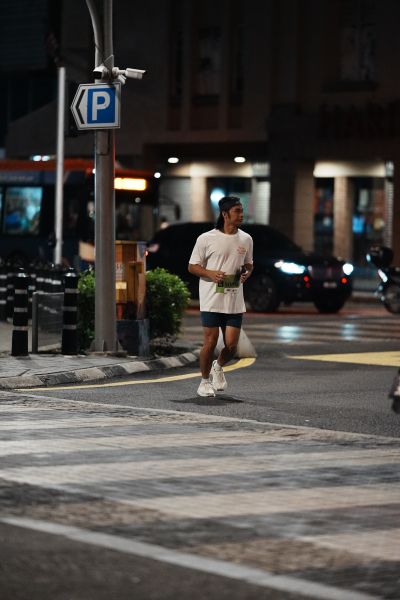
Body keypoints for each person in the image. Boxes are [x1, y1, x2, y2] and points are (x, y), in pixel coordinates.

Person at [188, 196, 253, 397]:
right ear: (225, 214)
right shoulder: (206, 238)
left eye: (242, 211)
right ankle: (204, 382)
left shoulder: (246, 239)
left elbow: (249, 264)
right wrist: (210, 273)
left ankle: (218, 366)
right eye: (237, 211)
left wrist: (247, 273)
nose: (241, 215)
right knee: (210, 341)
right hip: (211, 299)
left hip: (234, 299)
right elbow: (192, 266)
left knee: (232, 346)